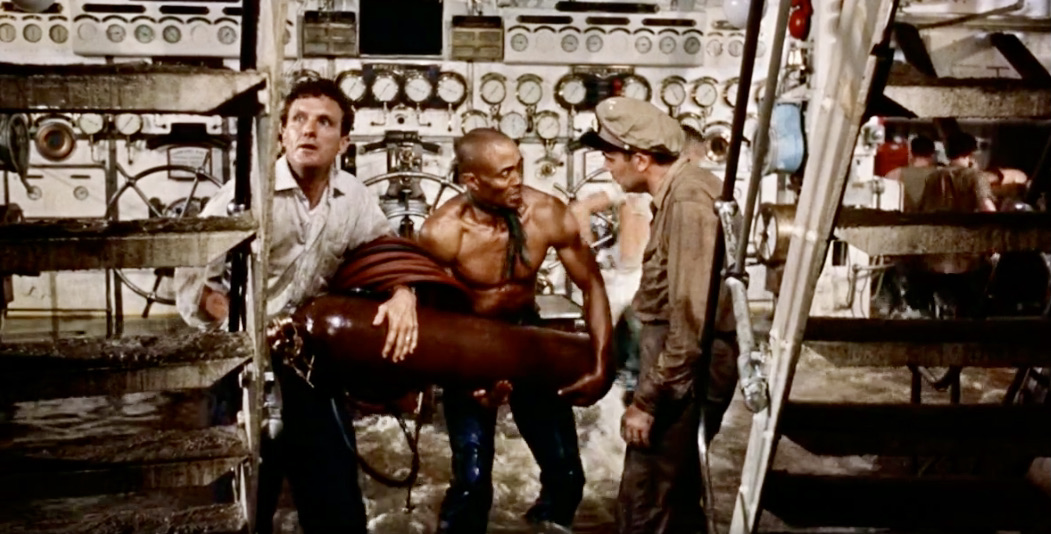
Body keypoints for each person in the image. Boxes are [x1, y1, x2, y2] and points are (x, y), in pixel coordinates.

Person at [174, 78, 419, 534]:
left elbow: (384, 251)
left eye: (325, 122)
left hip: (311, 367)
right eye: (299, 120)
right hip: (241, 369)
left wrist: (403, 291)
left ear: (343, 141)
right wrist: (246, 324)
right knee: (244, 510)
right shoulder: (244, 196)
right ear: (282, 133)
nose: (309, 130)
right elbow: (194, 284)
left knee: (338, 512)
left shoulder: (353, 197)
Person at [418, 128, 613, 534]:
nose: (517, 180)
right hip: (469, 346)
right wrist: (473, 385)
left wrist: (600, 363)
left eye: (519, 168)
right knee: (472, 486)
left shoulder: (546, 213)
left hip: (527, 339)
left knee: (567, 477)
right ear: (472, 180)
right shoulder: (443, 232)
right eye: (505, 173)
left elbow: (592, 285)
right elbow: (433, 319)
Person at [579, 97, 737, 534]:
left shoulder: (688, 202)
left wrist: (647, 402)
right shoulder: (684, 190)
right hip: (680, 366)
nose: (607, 167)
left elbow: (689, 323)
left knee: (645, 502)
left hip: (683, 373)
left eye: (611, 158)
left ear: (641, 159)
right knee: (676, 499)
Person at [907, 131, 996, 318]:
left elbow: (922, 212)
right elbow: (988, 210)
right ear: (970, 153)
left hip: (934, 258)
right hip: (965, 260)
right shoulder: (975, 177)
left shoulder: (933, 177)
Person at [886, 135, 938, 212]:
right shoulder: (942, 175)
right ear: (932, 154)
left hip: (903, 218)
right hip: (933, 218)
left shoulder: (894, 175)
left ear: (911, 153)